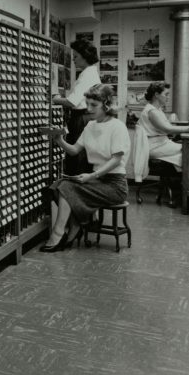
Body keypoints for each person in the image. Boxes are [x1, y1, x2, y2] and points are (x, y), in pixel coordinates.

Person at [40, 84, 131, 252]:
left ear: (106, 104)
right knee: (56, 186)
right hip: (97, 180)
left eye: (93, 105)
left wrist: (92, 176)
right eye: (87, 104)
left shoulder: (117, 127)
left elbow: (117, 160)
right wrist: (59, 139)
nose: (88, 109)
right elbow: (74, 150)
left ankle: (58, 235)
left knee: (66, 187)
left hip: (114, 185)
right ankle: (76, 227)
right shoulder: (90, 126)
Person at [51, 38, 101, 175]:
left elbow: (72, 101)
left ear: (85, 56)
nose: (73, 60)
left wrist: (55, 99)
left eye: (76, 56)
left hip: (82, 119)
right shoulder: (90, 72)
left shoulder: (87, 75)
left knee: (78, 159)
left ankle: (75, 191)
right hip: (88, 117)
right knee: (83, 157)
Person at [136, 81, 189, 170]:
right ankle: (188, 180)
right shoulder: (152, 111)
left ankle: (185, 178)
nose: (168, 97)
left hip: (159, 144)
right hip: (154, 146)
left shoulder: (156, 109)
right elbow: (167, 129)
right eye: (166, 94)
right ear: (157, 95)